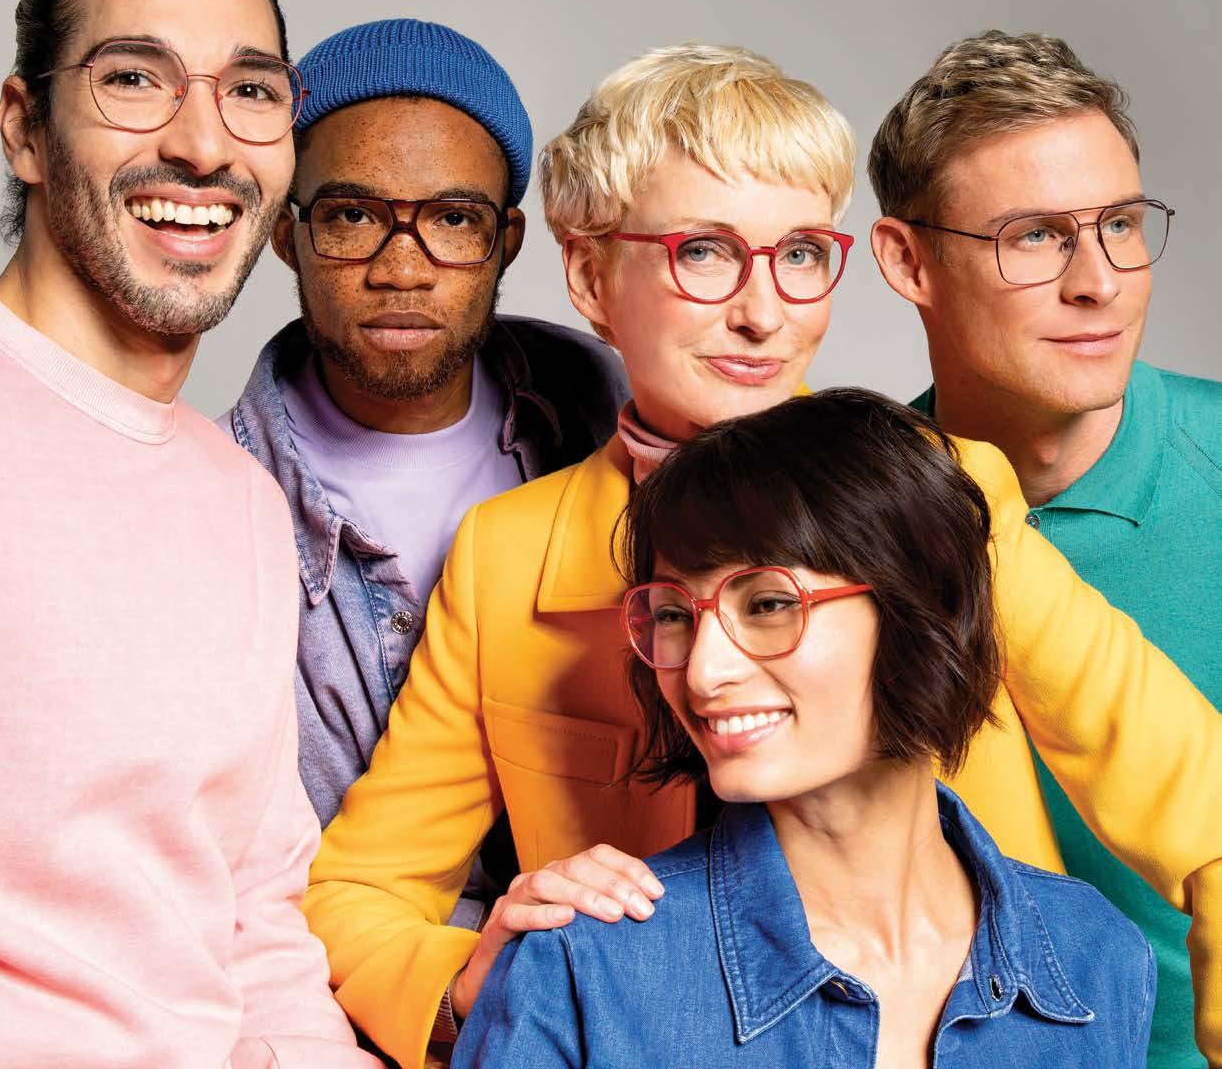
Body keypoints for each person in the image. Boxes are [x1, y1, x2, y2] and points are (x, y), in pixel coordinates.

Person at [302, 43, 1219, 1069]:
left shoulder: (940, 486)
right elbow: (355, 891)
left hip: (964, 1021)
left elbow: (1190, 787)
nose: (762, 311)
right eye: (703, 252)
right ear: (591, 274)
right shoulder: (504, 557)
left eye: (799, 254)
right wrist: (469, 979)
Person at [0, 0, 375, 1067]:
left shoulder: (242, 500)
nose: (203, 143)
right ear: (25, 128)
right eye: (135, 77)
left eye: (252, 90)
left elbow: (256, 915)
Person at [454, 390, 1157, 1067]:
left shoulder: (1098, 956)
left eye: (766, 604)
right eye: (673, 615)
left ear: (923, 605)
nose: (702, 672)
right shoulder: (583, 966)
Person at [869, 29, 1222, 1069]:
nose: (1099, 281)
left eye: (1119, 224)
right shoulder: (844, 516)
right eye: (1034, 236)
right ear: (907, 260)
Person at [223, 17, 626, 829]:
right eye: (350, 216)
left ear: (506, 241)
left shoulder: (609, 406)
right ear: (287, 237)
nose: (401, 269)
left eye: (453, 219)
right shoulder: (216, 509)